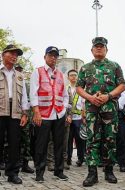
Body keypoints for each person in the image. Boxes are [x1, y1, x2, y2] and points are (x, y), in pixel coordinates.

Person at [76, 37, 125, 187]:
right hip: (92, 109)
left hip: (109, 108)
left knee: (110, 139)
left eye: (101, 47)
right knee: (92, 139)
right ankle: (92, 173)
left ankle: (109, 170)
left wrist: (108, 96)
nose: (99, 49)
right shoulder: (85, 68)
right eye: (96, 47)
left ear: (106, 50)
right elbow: (79, 88)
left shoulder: (114, 66)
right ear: (92, 50)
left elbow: (122, 85)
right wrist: (90, 98)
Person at [30, 46, 69, 182]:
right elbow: (33, 93)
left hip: (58, 114)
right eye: (50, 55)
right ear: (45, 56)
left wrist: (63, 109)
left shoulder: (61, 75)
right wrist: (36, 112)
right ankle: (39, 173)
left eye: (55, 56)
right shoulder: (38, 72)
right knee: (41, 144)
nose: (53, 58)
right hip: (43, 114)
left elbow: (65, 95)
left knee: (59, 144)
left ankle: (59, 171)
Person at [0, 45, 29, 184]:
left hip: (15, 111)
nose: (14, 56)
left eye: (16, 54)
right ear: (3, 54)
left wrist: (25, 113)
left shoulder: (20, 76)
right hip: (0, 109)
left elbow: (24, 96)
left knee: (14, 143)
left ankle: (12, 173)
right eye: (11, 53)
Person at [14, 64, 34, 174]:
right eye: (17, 69)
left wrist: (26, 114)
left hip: (25, 115)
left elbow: (30, 100)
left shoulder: (26, 84)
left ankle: (25, 164)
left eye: (20, 70)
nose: (19, 71)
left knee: (26, 140)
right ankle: (9, 162)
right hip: (12, 115)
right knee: (10, 141)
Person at [66, 69, 86, 167]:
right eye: (71, 75)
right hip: (68, 118)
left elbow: (84, 104)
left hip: (78, 118)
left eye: (75, 75)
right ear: (68, 77)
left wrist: (84, 117)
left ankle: (81, 158)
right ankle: (68, 158)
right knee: (68, 140)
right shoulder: (66, 89)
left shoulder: (81, 89)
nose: (73, 77)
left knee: (80, 139)